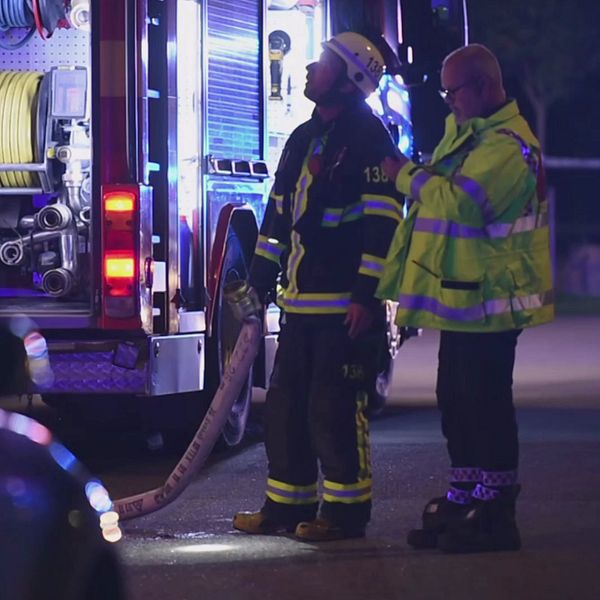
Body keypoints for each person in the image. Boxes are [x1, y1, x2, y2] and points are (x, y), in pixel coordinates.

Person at [378, 44, 554, 553]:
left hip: (492, 303)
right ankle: (465, 498)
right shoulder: (472, 136)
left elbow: (461, 204)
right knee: (456, 402)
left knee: (486, 406)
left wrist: (405, 176)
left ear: (482, 86)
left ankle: (496, 514)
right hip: (465, 301)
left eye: (453, 91)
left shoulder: (505, 145)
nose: (448, 101)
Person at [233, 32, 403, 541]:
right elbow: (278, 219)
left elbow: (383, 224)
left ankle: (346, 514)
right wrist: (259, 283)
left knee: (334, 409)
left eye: (323, 62)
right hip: (301, 306)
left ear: (351, 80)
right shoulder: (304, 139)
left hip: (344, 309)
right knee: (285, 409)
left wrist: (368, 298)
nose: (309, 68)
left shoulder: (370, 140)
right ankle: (286, 505)